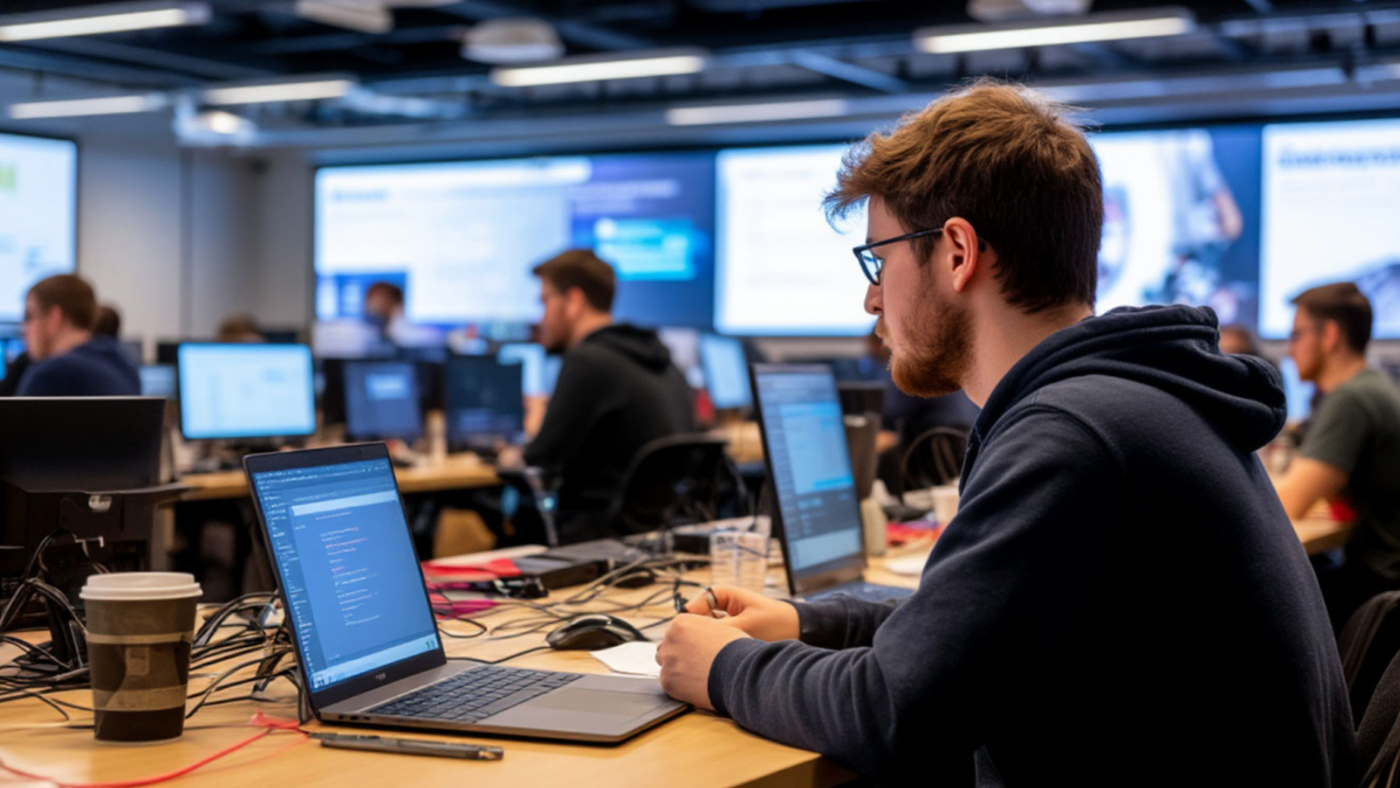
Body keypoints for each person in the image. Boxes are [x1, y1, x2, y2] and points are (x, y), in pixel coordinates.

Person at [656, 81, 1353, 785]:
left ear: (957, 252)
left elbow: (896, 713)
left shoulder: (1072, 435)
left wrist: (722, 666)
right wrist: (811, 622)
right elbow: (972, 634)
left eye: (879, 260)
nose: (871, 297)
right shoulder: (1130, 405)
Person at [512, 249, 695, 543]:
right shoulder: (663, 361)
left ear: (573, 301)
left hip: (599, 544)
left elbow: (539, 459)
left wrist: (536, 416)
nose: (541, 316)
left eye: (545, 301)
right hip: (660, 540)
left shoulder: (588, 361)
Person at [1275, 282, 1400, 629]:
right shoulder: (1373, 387)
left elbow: (1286, 506)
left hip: (1377, 590)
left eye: (1296, 335)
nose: (1290, 349)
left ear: (1329, 335)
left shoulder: (1352, 400)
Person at [17, 274, 139, 397]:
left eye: (29, 317)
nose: (23, 329)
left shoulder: (47, 376)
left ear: (55, 317)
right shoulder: (124, 365)